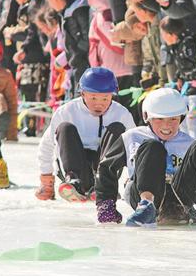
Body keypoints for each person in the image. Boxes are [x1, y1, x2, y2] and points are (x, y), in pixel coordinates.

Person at [94, 88, 196, 227]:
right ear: (147, 117)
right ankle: (147, 207)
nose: (167, 126)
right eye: (159, 119)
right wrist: (106, 205)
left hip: (178, 198)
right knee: (152, 146)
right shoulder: (132, 137)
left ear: (181, 118)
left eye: (173, 119)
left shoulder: (188, 144)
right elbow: (106, 167)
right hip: (142, 195)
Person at [34, 67, 135, 202]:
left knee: (118, 129)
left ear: (112, 95)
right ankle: (75, 183)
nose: (99, 104)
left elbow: (134, 148)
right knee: (65, 128)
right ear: (82, 94)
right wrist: (46, 179)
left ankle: (104, 187)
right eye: (93, 98)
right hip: (73, 162)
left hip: (104, 166)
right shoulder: (66, 112)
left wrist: (132, 178)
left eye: (105, 98)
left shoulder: (121, 114)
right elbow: (47, 145)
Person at [159, 16, 196, 138]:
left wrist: (187, 78)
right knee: (182, 119)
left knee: (194, 119)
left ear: (172, 34)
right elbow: (182, 67)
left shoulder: (188, 45)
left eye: (163, 34)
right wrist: (179, 77)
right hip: (189, 90)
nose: (162, 38)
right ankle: (186, 148)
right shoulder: (177, 46)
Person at [44, 0, 90, 95]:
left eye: (49, 1)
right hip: (75, 66)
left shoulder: (77, 9)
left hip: (84, 66)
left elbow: (86, 40)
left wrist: (75, 56)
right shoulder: (66, 11)